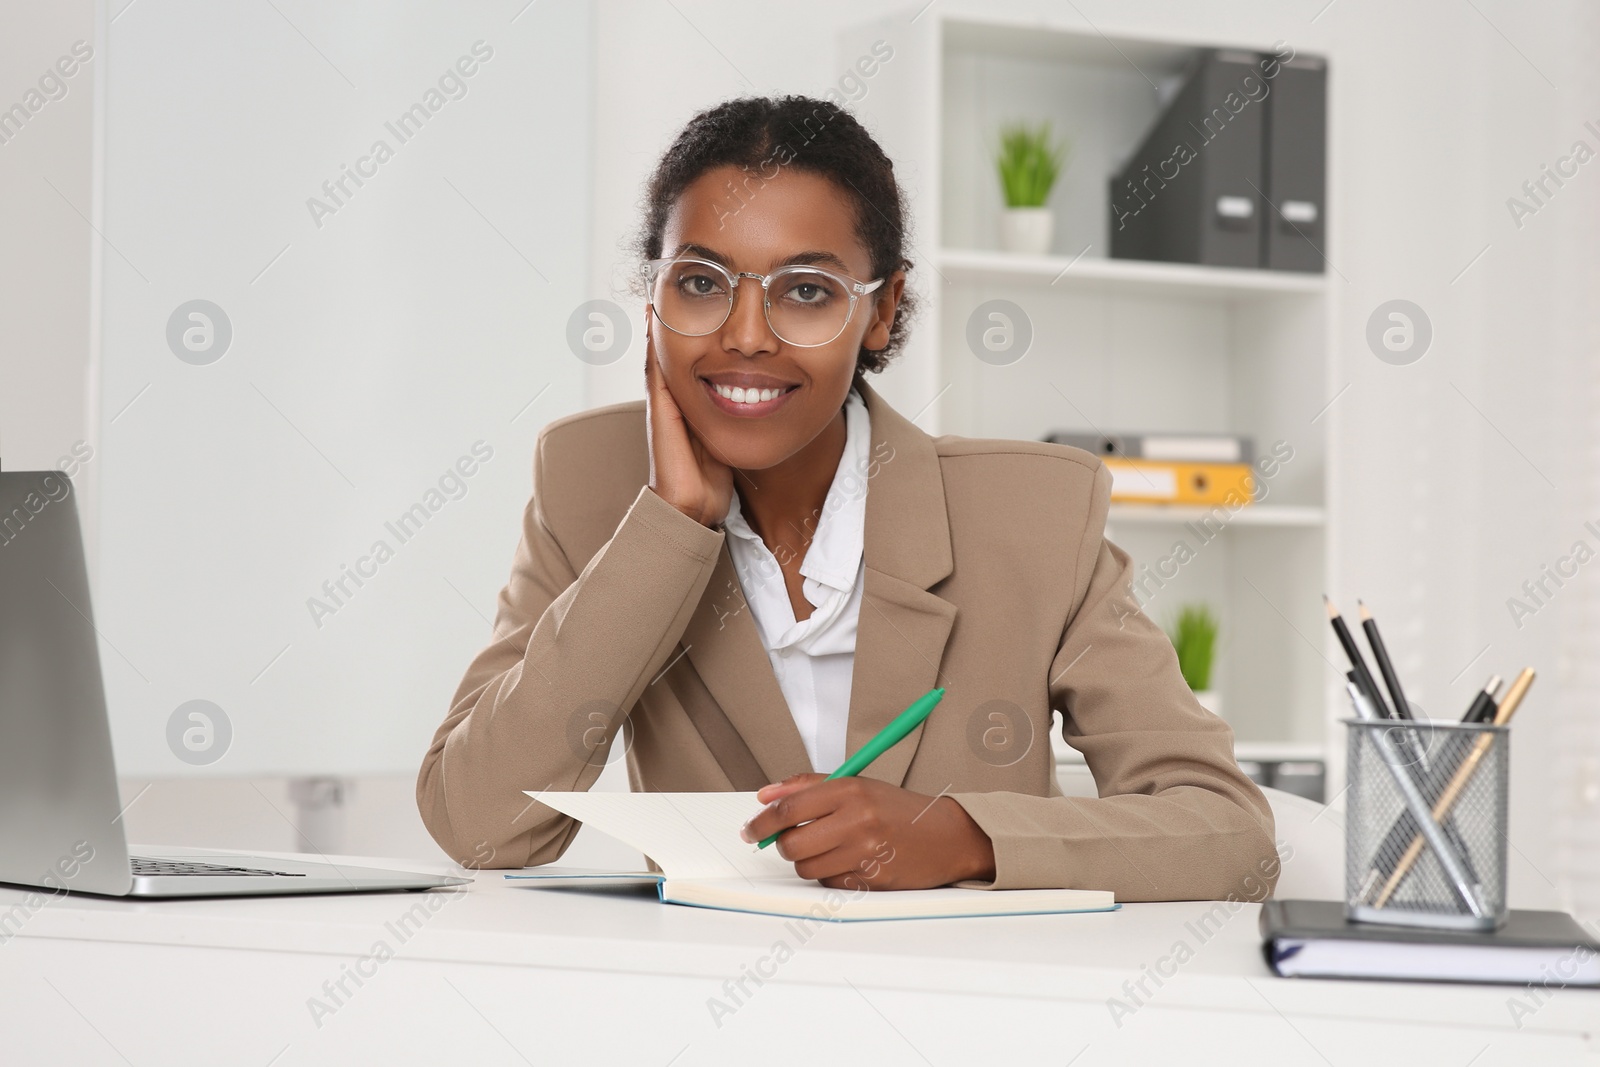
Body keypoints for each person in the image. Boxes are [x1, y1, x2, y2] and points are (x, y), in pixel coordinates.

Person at [416, 94, 1279, 901]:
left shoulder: (1033, 512)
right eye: (702, 282)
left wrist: (967, 836)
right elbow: (483, 832)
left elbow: (1232, 837)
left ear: (881, 310)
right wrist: (668, 528)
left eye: (806, 292)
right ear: (654, 297)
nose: (745, 336)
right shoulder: (587, 480)